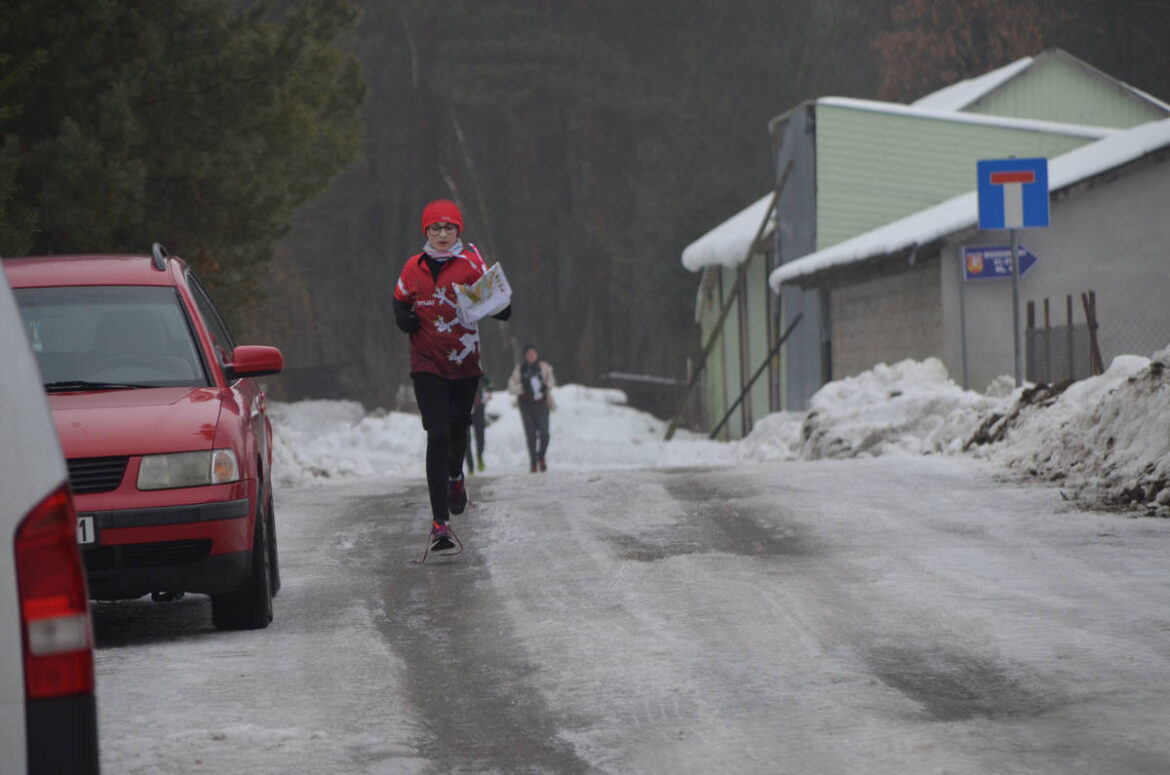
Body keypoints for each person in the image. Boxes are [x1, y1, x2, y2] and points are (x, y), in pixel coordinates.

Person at [393, 199, 511, 553]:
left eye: (448, 228)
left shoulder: (471, 264)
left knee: (458, 430)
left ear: (458, 230)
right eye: (435, 228)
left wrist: (498, 304)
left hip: (464, 363)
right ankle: (440, 524)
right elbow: (400, 300)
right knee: (438, 433)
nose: (442, 234)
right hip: (426, 362)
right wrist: (403, 319)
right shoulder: (413, 267)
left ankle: (456, 476)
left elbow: (502, 309)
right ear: (426, 231)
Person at [508, 344, 556, 473]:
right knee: (531, 435)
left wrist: (545, 386)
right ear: (525, 356)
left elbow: (551, 382)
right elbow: (511, 388)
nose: (531, 356)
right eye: (528, 354)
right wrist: (523, 387)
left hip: (541, 404)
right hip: (526, 405)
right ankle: (533, 462)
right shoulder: (519, 369)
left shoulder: (544, 367)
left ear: (537, 354)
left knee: (545, 434)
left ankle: (541, 456)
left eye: (533, 353)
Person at [464, 375, 491, 475]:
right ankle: (470, 466)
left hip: (478, 408)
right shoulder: (458, 372)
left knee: (480, 436)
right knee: (466, 440)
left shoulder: (479, 373)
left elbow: (490, 383)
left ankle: (480, 455)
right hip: (464, 410)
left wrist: (489, 391)